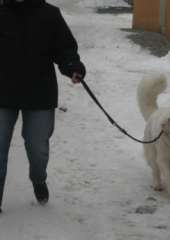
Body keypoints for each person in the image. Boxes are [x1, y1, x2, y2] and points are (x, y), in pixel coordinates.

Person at [0, 0, 86, 213]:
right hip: (2, 93)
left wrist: (72, 66)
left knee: (38, 149)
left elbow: (65, 48)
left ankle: (38, 179)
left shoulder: (49, 14)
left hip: (39, 93)